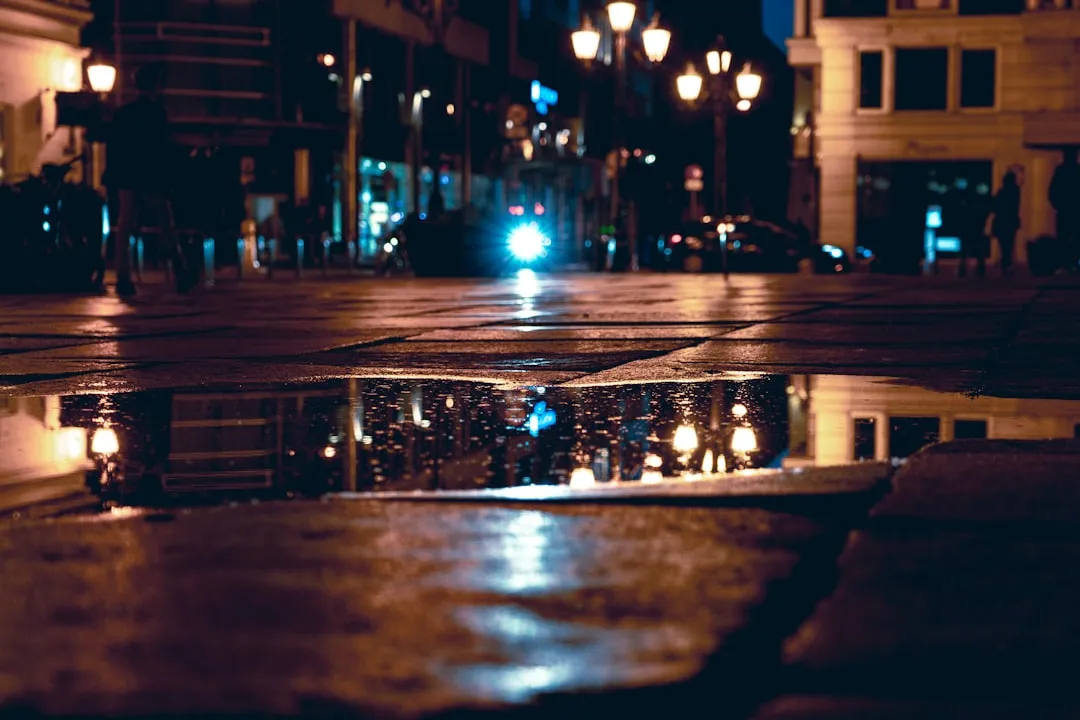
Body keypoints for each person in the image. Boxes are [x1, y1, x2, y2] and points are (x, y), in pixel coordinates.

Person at [107, 63, 193, 297]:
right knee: (166, 224)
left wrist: (113, 177)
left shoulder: (123, 113)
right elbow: (161, 149)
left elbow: (114, 147)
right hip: (152, 177)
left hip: (127, 176)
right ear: (155, 84)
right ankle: (179, 271)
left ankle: (123, 277)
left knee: (125, 225)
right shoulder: (157, 113)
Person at [1049, 149, 1080, 272]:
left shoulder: (1061, 171)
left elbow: (1052, 191)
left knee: (1065, 238)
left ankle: (1066, 262)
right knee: (1073, 238)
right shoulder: (1075, 171)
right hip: (1073, 210)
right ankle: (1072, 262)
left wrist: (1058, 205)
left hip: (1066, 210)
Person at [991, 168, 1022, 277]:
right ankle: (1007, 265)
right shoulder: (1015, 191)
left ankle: (1006, 265)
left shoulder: (1002, 192)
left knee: (1004, 246)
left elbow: (994, 206)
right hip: (1009, 222)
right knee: (1008, 245)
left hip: (1002, 222)